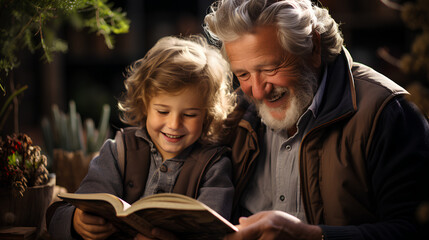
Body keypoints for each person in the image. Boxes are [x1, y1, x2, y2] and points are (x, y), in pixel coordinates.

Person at [203, 0, 429, 239]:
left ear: (313, 48)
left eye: (270, 69)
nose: (258, 92)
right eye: (243, 74)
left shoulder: (388, 113)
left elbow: (413, 229)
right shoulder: (232, 114)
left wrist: (311, 236)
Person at [46, 35, 236, 239]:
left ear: (207, 115)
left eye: (189, 115)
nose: (174, 124)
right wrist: (77, 222)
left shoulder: (214, 166)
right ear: (145, 104)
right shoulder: (118, 151)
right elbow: (65, 215)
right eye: (163, 111)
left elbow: (215, 233)